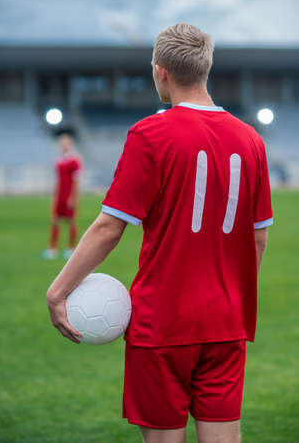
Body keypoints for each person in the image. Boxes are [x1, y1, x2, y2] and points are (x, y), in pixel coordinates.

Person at [47, 23, 273, 443]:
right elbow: (258, 238)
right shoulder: (251, 140)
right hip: (226, 320)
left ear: (160, 70)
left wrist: (58, 290)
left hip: (163, 322)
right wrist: (229, 293)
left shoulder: (149, 134)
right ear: (205, 68)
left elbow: (110, 226)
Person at [43, 131, 82, 260]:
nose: (63, 146)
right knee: (54, 221)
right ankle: (52, 249)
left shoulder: (75, 161)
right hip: (59, 195)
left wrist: (72, 197)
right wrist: (54, 197)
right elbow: (58, 180)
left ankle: (71, 248)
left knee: (71, 221)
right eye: (61, 144)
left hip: (68, 194)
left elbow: (76, 180)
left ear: (70, 145)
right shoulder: (58, 161)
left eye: (66, 143)